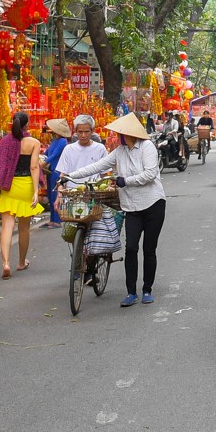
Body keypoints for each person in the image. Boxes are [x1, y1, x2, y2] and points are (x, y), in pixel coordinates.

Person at [66, 114, 166, 306]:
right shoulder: (119, 151)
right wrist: (70, 176)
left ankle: (147, 289)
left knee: (149, 248)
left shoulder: (147, 148)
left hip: (153, 204)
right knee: (131, 248)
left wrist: (125, 181)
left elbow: (150, 174)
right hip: (132, 207)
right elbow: (97, 166)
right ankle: (131, 292)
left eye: (119, 132)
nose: (117, 135)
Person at [0, 111, 44, 279]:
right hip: (25, 186)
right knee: (24, 227)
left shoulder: (5, 142)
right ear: (27, 125)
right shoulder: (33, 143)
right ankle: (21, 262)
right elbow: (34, 167)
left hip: (8, 186)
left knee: (7, 226)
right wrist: (36, 191)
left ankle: (6, 262)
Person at [41, 119, 72, 226]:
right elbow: (47, 153)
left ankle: (57, 220)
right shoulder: (54, 141)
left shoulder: (63, 142)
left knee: (55, 195)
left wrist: (43, 163)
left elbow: (54, 155)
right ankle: (52, 220)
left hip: (57, 171)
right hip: (51, 171)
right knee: (50, 195)